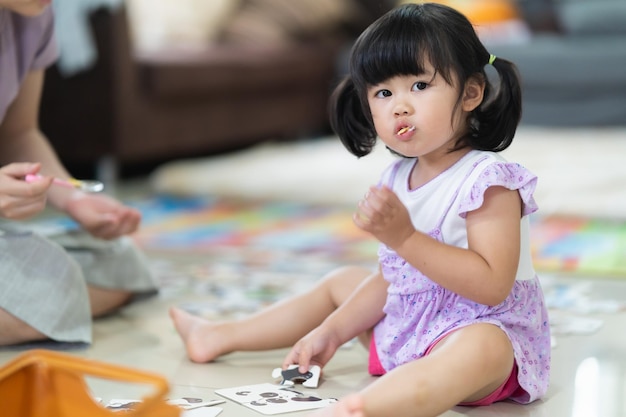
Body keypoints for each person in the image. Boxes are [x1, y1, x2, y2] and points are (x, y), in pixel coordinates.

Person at [169, 3, 551, 416]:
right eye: (384, 93)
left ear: (471, 92)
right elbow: (392, 278)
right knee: (342, 282)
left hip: (480, 331)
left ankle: (365, 408)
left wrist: (404, 237)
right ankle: (219, 335)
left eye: (420, 86)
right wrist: (330, 334)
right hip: (413, 327)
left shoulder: (489, 181)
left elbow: (493, 286)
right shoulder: (396, 178)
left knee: (480, 344)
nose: (400, 106)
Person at [0, 1, 156, 346]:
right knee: (51, 290)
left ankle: (48, 308)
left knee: (120, 260)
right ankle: (50, 307)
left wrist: (75, 199)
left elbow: (19, 133)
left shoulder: (35, 16)